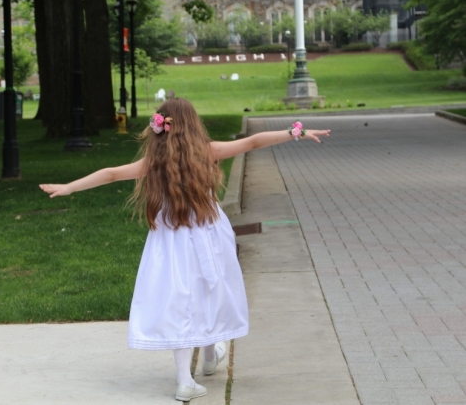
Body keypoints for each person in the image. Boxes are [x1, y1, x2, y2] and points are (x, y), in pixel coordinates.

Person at [40, 98, 330, 401]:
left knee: (181, 299)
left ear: (161, 125)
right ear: (192, 123)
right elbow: (254, 142)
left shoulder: (154, 162)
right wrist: (295, 132)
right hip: (209, 232)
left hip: (170, 238)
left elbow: (111, 173)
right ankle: (209, 355)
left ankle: (185, 378)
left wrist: (69, 187)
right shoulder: (207, 152)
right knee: (209, 291)